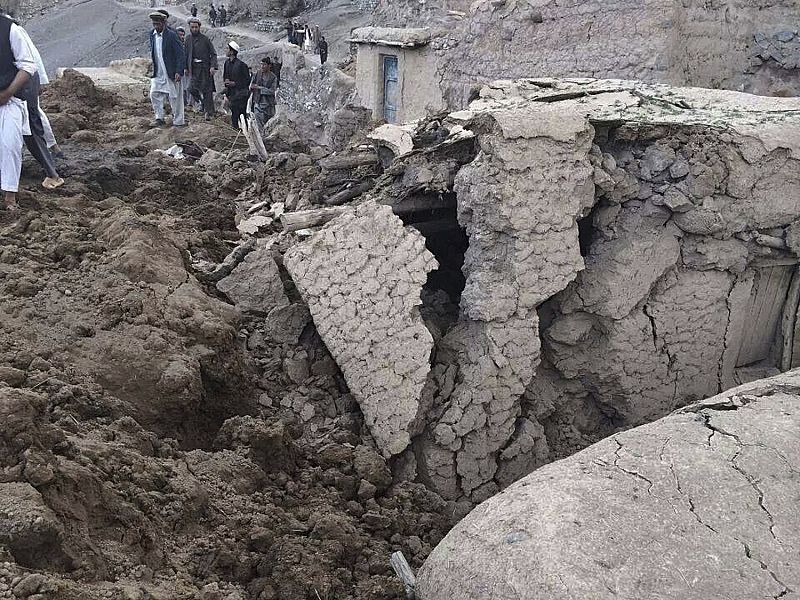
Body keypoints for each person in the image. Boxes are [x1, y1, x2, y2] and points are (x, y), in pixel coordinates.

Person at [16, 26, 63, 189]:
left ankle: (52, 173)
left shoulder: (11, 29)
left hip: (21, 82)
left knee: (30, 124)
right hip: (13, 81)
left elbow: (30, 61)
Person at [0, 13, 36, 210]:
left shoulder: (10, 29)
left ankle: (9, 197)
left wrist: (8, 93)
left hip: (8, 100)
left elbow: (28, 65)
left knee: (10, 145)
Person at [148, 11, 185, 128]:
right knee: (154, 94)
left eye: (158, 24)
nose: (156, 27)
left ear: (163, 23)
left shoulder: (172, 35)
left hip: (170, 72)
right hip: (158, 72)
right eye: (154, 24)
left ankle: (178, 121)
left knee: (175, 97)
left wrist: (179, 71)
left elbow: (180, 54)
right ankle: (159, 118)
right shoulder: (152, 34)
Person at [185, 17, 217, 120]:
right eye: (192, 27)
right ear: (190, 28)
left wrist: (213, 66)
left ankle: (209, 112)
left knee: (207, 90)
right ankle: (201, 102)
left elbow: (213, 54)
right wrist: (185, 68)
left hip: (204, 68)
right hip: (194, 68)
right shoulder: (188, 39)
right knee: (190, 88)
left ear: (199, 27)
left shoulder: (205, 39)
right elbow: (186, 54)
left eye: (196, 27)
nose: (194, 29)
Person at [222, 40, 249, 128]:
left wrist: (235, 83)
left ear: (232, 51)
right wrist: (226, 81)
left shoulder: (241, 65)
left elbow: (247, 81)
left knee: (241, 116)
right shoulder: (226, 63)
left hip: (240, 95)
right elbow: (225, 76)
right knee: (233, 116)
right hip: (231, 93)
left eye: (227, 49)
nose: (225, 50)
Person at [250, 57, 276, 131]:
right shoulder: (258, 74)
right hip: (258, 103)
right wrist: (252, 87)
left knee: (268, 126)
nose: (262, 66)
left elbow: (272, 91)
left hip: (268, 105)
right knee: (259, 124)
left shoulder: (273, 77)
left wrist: (260, 88)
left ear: (269, 65)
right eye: (261, 64)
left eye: (264, 64)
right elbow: (252, 85)